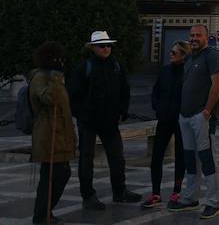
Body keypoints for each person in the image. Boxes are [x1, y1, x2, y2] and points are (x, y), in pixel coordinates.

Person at [67, 30, 141, 210]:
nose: (106, 48)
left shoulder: (116, 66)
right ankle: (88, 196)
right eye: (102, 45)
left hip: (110, 121)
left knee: (117, 158)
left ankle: (119, 191)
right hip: (88, 122)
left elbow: (125, 89)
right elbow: (74, 95)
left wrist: (123, 110)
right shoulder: (84, 68)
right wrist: (83, 114)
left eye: (108, 45)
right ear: (93, 48)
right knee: (86, 159)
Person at [167, 25, 219, 219]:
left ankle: (213, 201)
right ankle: (191, 197)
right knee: (190, 159)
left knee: (208, 159)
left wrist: (207, 110)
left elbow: (218, 83)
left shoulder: (212, 56)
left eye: (198, 35)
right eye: (191, 35)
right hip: (186, 116)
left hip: (201, 117)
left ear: (206, 37)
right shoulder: (190, 57)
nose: (194, 38)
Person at [29, 42, 76, 225]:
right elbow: (49, 99)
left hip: (60, 135)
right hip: (48, 135)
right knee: (52, 176)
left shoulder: (53, 76)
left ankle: (45, 213)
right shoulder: (40, 77)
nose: (61, 62)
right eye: (58, 59)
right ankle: (41, 215)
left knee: (59, 174)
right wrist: (56, 80)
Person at [142, 41, 188, 209]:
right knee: (156, 157)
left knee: (180, 157)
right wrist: (157, 106)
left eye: (174, 53)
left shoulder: (187, 72)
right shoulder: (165, 71)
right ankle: (155, 193)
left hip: (180, 119)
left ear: (183, 56)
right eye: (171, 52)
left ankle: (176, 192)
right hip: (164, 118)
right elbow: (156, 90)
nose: (170, 55)